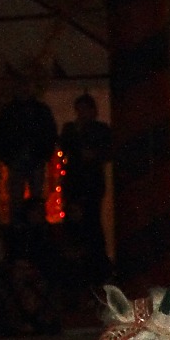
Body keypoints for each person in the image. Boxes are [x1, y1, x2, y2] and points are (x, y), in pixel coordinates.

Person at [58, 93, 112, 288]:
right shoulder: (70, 129)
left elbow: (109, 151)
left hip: (92, 184)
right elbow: (64, 146)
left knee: (92, 223)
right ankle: (75, 269)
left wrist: (94, 154)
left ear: (93, 111)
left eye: (85, 109)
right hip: (74, 183)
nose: (82, 113)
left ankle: (95, 268)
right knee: (74, 224)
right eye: (79, 109)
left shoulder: (101, 129)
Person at [0, 78, 57, 222]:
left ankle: (34, 226)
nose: (24, 90)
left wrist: (44, 155)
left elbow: (50, 133)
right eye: (21, 86)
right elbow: (0, 134)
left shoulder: (40, 110)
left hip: (33, 158)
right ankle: (19, 227)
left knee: (34, 198)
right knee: (17, 198)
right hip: (18, 158)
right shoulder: (9, 111)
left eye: (26, 86)